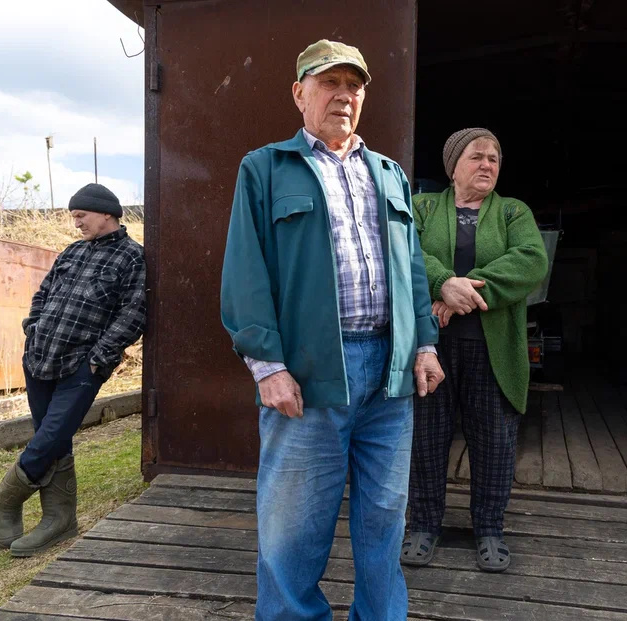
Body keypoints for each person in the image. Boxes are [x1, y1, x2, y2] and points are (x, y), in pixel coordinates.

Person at [220, 40, 444, 620]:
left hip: (390, 377)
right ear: (299, 93)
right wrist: (267, 365)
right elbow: (246, 273)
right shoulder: (266, 168)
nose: (344, 95)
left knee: (384, 520)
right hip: (311, 372)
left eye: (355, 86)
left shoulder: (390, 174)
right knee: (293, 526)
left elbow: (411, 269)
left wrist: (424, 343)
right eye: (329, 83)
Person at [401, 128, 548, 572]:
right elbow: (405, 251)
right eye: (476, 156)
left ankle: (489, 530)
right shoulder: (424, 206)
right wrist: (442, 281)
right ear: (452, 166)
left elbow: (530, 260)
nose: (487, 165)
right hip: (432, 345)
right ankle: (424, 526)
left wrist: (456, 293)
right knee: (426, 438)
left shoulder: (511, 211)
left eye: (494, 159)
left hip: (491, 348)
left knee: (494, 443)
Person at [0, 183, 146, 557]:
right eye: (74, 216)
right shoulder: (72, 252)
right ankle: (60, 519)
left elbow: (134, 313)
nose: (76, 223)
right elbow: (43, 293)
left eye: (81, 216)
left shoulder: (133, 258)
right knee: (54, 438)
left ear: (106, 213)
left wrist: (99, 357)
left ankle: (6, 499)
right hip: (40, 356)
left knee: (51, 435)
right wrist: (34, 328)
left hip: (82, 366)